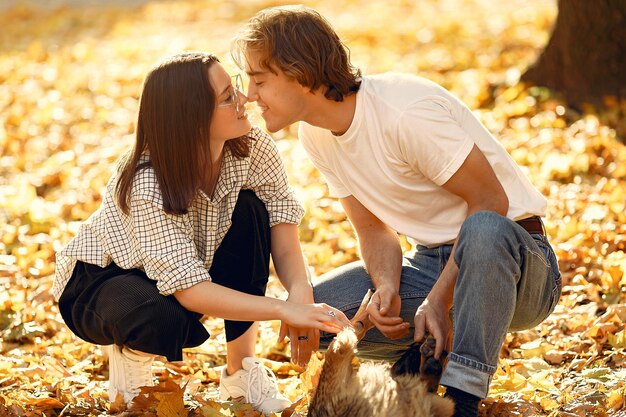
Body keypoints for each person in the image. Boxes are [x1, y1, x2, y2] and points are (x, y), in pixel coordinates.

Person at [232, 7, 562, 417]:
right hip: (432, 264)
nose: (248, 94)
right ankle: (419, 368)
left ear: (299, 72)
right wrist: (386, 287)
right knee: (317, 314)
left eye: (259, 80)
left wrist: (438, 300)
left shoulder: (403, 111)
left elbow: (491, 204)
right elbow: (371, 229)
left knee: (483, 231)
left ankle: (463, 397)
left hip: (518, 264)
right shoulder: (315, 135)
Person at [52, 51, 351, 416]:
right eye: (227, 97)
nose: (245, 100)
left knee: (251, 212)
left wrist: (301, 293)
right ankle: (130, 359)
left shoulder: (252, 148)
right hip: (103, 280)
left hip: (185, 267)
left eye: (235, 87)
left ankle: (240, 372)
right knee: (162, 318)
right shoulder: (146, 182)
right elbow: (190, 291)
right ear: (191, 119)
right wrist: (284, 310)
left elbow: (280, 228)